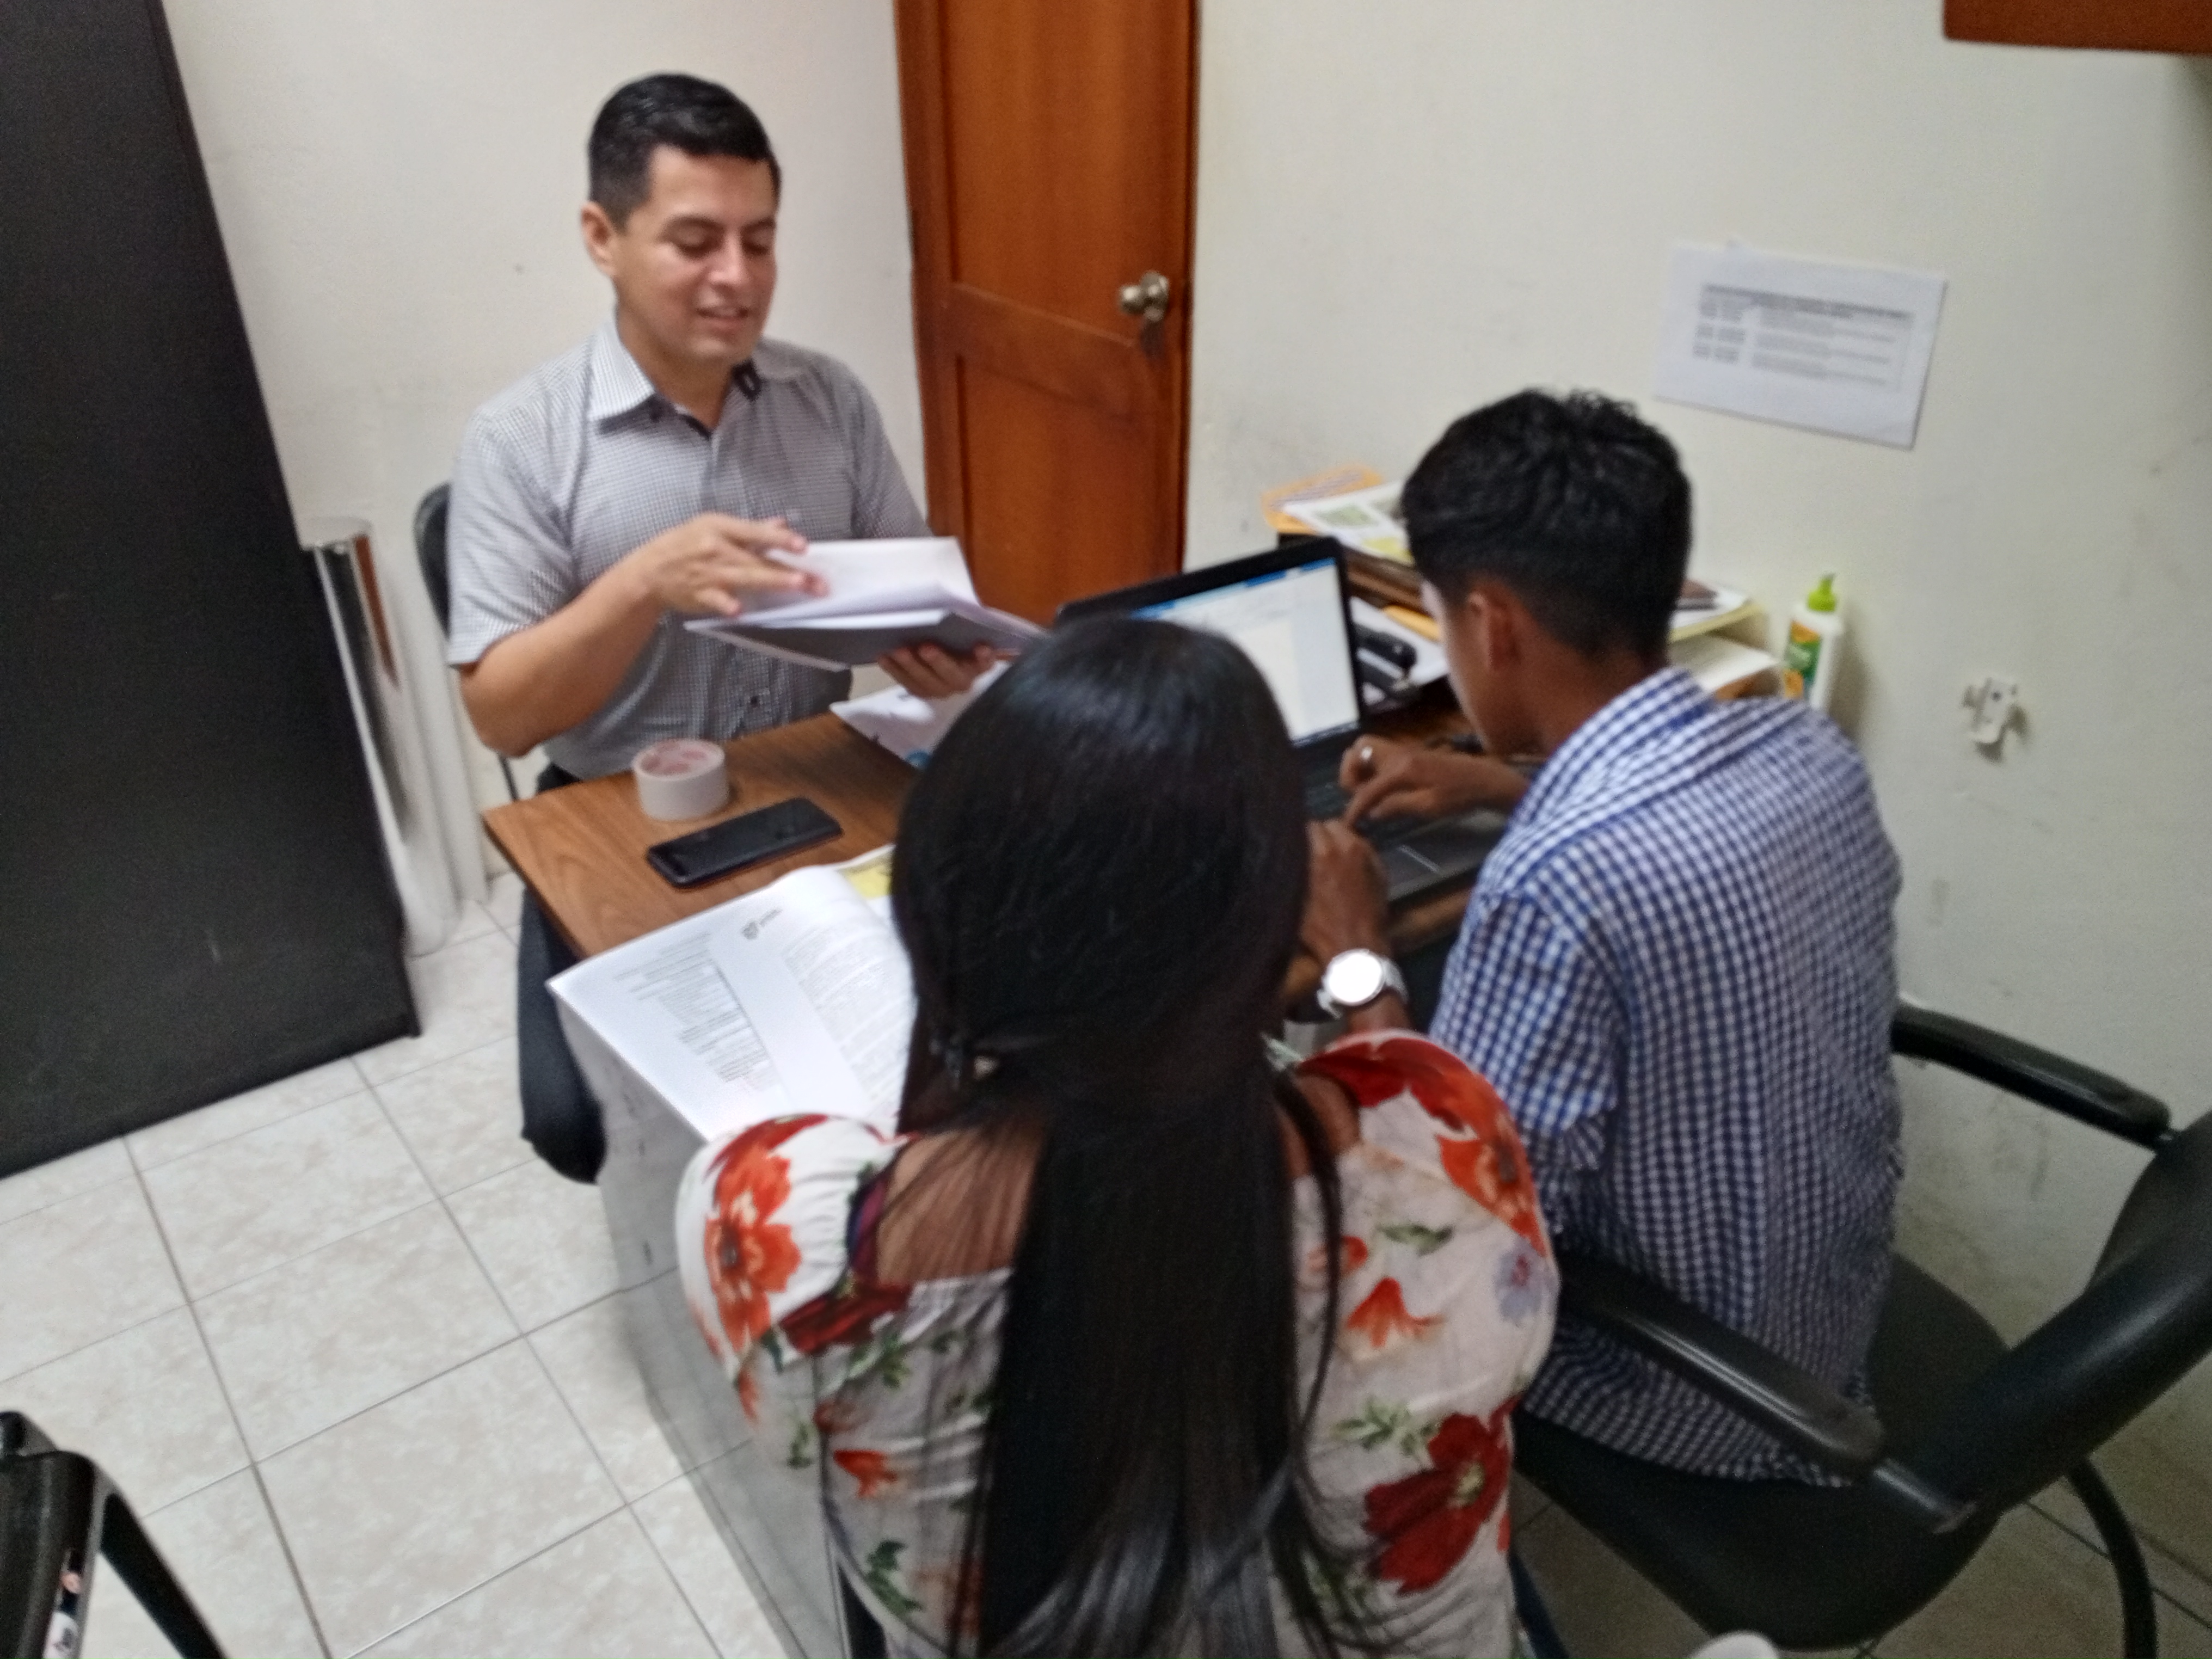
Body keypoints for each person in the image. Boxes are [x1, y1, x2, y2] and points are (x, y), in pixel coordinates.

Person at [677, 619, 1556, 1659]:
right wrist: (1361, 964)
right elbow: (1398, 1087)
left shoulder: (779, 1232)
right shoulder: (1449, 1138)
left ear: (926, 921)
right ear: (1270, 940)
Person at [1302, 389, 1901, 1480]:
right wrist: (1498, 782)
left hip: (1690, 1390)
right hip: (1828, 1315)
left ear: (1491, 625)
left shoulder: (1557, 881)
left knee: (1301, 1264)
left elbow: (1442, 1222)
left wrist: (1354, 952)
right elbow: (1658, 817)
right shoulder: (1807, 749)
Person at [445, 75, 992, 1182]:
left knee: (952, 1036)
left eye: (760, 240)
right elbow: (500, 715)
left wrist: (934, 647)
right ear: (602, 237)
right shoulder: (521, 439)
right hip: (620, 814)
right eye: (695, 242)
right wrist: (645, 580)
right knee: (578, 1122)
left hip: (821, 788)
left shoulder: (830, 400)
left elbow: (908, 580)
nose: (737, 278)